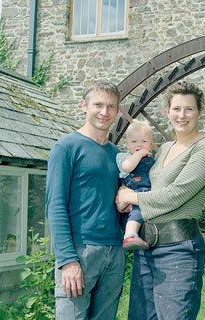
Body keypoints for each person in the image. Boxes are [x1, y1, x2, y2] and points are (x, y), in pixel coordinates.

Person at [117, 81, 205, 320]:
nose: (181, 115)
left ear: (199, 111)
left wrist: (132, 197)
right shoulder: (163, 149)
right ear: (168, 111)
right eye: (176, 109)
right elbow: (143, 180)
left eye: (189, 109)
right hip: (146, 246)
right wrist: (122, 191)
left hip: (179, 250)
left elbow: (177, 193)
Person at [46, 81, 125, 320]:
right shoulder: (66, 148)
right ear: (84, 106)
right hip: (80, 251)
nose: (104, 112)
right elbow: (55, 205)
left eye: (111, 106)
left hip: (114, 252)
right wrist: (67, 260)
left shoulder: (117, 155)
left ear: (118, 110)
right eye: (98, 105)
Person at [116, 121, 155, 251]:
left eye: (143, 142)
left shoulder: (152, 160)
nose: (138, 145)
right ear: (127, 144)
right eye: (133, 142)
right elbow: (128, 167)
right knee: (138, 211)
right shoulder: (125, 157)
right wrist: (139, 154)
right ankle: (130, 235)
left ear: (151, 144)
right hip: (134, 192)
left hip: (147, 193)